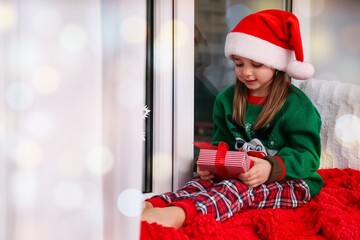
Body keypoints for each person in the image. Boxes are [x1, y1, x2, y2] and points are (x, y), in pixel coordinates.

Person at [141, 9, 323, 229]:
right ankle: (153, 205)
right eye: (239, 64)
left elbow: (309, 157)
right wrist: (212, 165)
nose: (246, 72)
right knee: (200, 182)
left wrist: (269, 168)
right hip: (241, 176)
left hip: (291, 182)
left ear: (276, 66)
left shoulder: (296, 106)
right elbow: (222, 144)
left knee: (236, 190)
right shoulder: (227, 99)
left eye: (256, 65)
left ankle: (181, 215)